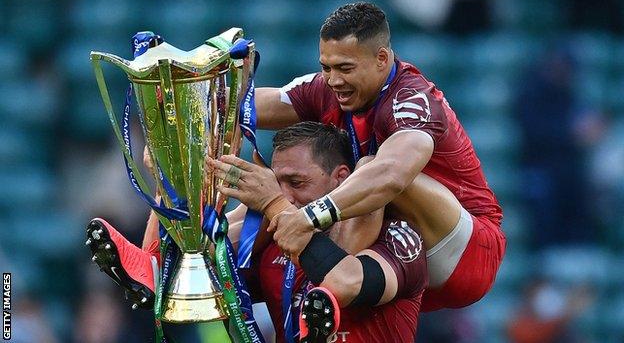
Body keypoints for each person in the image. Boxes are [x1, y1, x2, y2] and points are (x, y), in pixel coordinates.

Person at [248, 1, 505, 312]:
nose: (333, 79)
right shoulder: (328, 88)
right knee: (272, 186)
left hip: (463, 253)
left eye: (345, 68)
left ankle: (325, 281)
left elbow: (391, 175)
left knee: (369, 168)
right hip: (397, 248)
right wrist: (191, 94)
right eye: (326, 67)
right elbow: (250, 106)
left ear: (381, 59)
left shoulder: (411, 100)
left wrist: (307, 218)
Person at [87, 122, 428, 343]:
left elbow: (348, 281)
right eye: (277, 184)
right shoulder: (271, 249)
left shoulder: (397, 237)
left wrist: (275, 204)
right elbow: (180, 290)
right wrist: (168, 186)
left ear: (340, 178)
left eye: (297, 183)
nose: (286, 196)